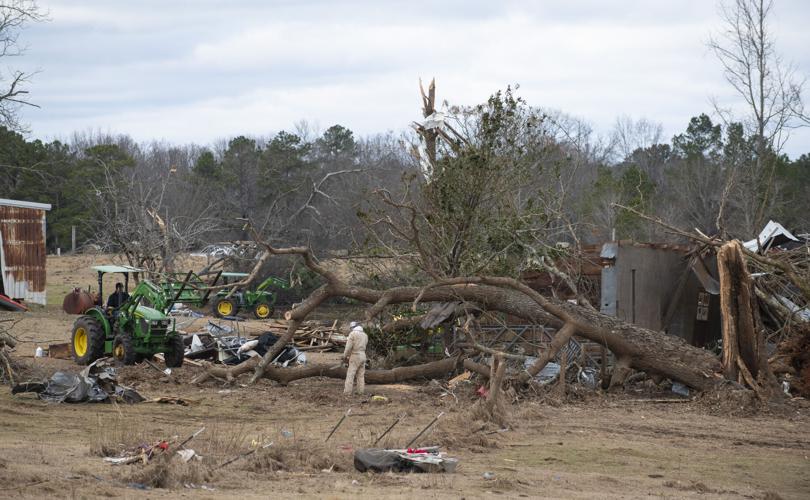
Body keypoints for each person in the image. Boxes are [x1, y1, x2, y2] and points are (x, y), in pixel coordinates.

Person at [342, 322, 368, 396]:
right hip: (363, 355)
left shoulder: (353, 334)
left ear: (352, 328)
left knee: (350, 374)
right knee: (361, 375)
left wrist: (344, 356)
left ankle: (347, 392)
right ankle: (360, 391)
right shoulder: (365, 335)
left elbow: (348, 347)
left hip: (355, 355)